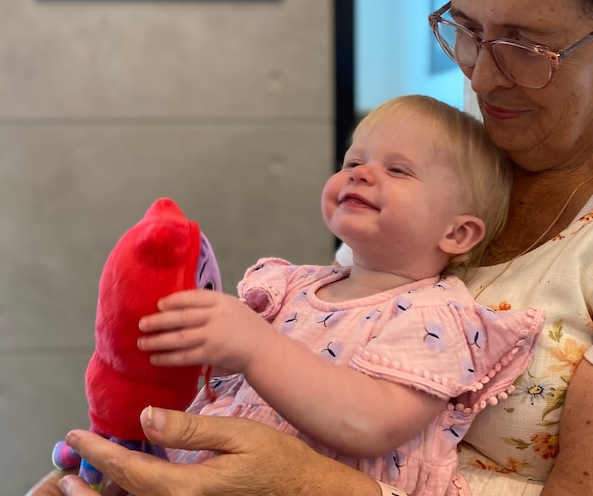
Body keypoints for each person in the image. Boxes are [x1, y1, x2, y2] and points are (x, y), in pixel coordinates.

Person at [30, 0, 593, 495]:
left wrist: (308, 484)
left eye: (527, 46)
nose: (484, 77)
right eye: (466, 27)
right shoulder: (448, 160)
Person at [38, 94, 545, 496]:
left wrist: (255, 347)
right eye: (353, 160)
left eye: (398, 170)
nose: (360, 173)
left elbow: (370, 422)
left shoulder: (439, 315)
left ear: (457, 235)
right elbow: (227, 384)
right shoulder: (293, 286)